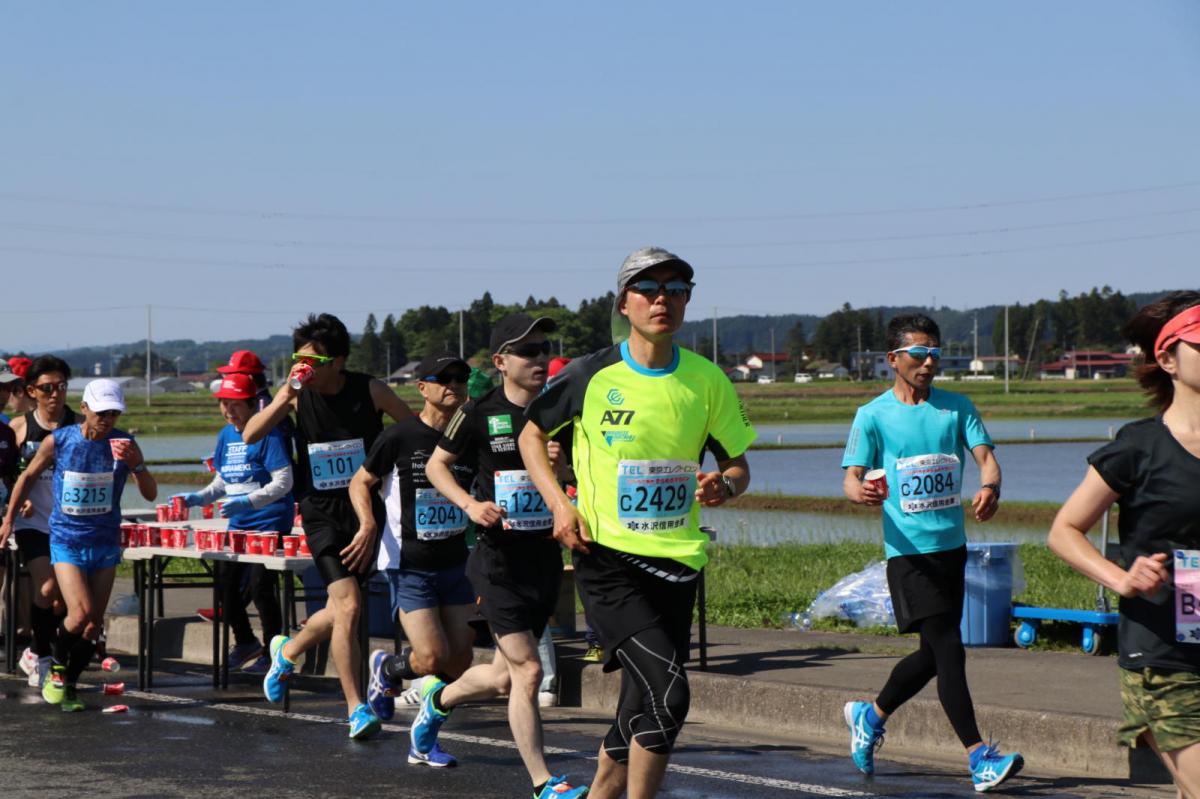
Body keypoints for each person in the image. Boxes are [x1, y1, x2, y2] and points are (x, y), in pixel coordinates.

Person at [520, 246, 754, 799]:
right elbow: (533, 434)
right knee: (669, 696)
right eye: (648, 290)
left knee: (636, 709)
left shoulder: (706, 379)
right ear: (624, 303)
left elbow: (738, 464)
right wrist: (558, 503)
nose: (662, 301)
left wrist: (725, 485)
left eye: (675, 291)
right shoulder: (590, 374)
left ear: (687, 302)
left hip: (677, 564)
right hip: (608, 561)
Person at [840, 313, 1021, 792]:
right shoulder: (872, 415)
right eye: (918, 354)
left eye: (935, 354)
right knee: (948, 648)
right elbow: (851, 477)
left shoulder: (956, 407)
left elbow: (986, 457)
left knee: (930, 654)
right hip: (908, 551)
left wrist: (990, 485)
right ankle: (979, 756)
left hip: (951, 548)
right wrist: (862, 493)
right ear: (893, 360)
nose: (927, 363)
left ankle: (870, 715)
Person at [410, 314, 588, 799]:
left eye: (544, 348)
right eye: (527, 351)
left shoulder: (560, 410)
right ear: (501, 362)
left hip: (543, 561)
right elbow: (436, 466)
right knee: (530, 671)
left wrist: (562, 466)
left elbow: (578, 477)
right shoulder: (480, 412)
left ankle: (438, 699)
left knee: (506, 678)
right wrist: (469, 504)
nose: (539, 359)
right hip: (496, 563)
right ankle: (544, 784)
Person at [1047, 291, 1200, 796]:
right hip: (1165, 656)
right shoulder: (1140, 446)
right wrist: (1123, 578)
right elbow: (1064, 530)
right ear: (1167, 358)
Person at [243, 313, 412, 740]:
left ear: (338, 360)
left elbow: (412, 431)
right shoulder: (297, 395)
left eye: (313, 360)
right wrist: (286, 395)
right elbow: (249, 434)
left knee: (341, 609)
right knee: (350, 606)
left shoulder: (370, 389)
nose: (305, 367)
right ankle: (356, 707)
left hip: (366, 511)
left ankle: (289, 650)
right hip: (319, 511)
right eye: (299, 358)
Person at [0, 379, 156, 712]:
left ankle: (69, 683)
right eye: (101, 412)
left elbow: (151, 493)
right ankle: (55, 665)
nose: (107, 419)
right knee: (80, 611)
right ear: (84, 408)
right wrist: (9, 518)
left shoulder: (124, 442)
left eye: (113, 413)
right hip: (67, 539)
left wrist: (136, 465)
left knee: (92, 624)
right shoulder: (60, 441)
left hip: (104, 542)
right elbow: (26, 477)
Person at [354, 352, 476, 768]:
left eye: (461, 378)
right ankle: (388, 669)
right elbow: (360, 482)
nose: (454, 385)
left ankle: (424, 740)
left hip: (456, 561)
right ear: (421, 387)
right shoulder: (400, 436)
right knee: (430, 658)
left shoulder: (468, 436)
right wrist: (368, 523)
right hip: (409, 564)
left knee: (460, 661)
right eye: (444, 378)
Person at [172, 372, 294, 674]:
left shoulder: (270, 433)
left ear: (253, 403)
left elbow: (285, 481)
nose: (228, 410)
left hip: (270, 522)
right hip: (238, 525)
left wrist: (249, 501)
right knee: (225, 584)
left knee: (261, 586)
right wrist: (197, 498)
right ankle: (245, 642)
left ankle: (272, 651)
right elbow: (222, 481)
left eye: (236, 404)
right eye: (224, 404)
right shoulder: (225, 435)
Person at [7, 356, 75, 688]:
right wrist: (13, 502)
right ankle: (42, 656)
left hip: (69, 526)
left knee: (62, 600)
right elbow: (6, 472)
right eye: (46, 388)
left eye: (61, 387)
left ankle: (36, 652)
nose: (54, 394)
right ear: (32, 391)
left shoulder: (78, 424)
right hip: (31, 523)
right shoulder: (20, 427)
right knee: (47, 587)